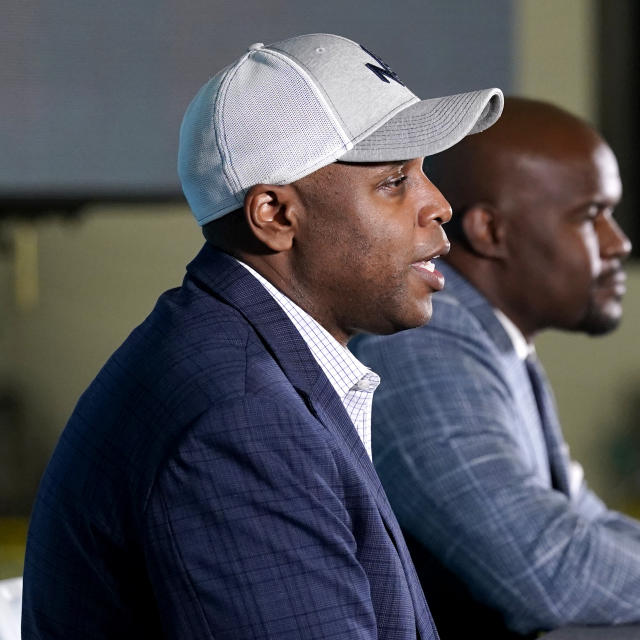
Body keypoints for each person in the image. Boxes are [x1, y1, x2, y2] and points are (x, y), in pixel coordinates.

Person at [21, 33, 502, 639]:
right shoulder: (239, 421)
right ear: (274, 215)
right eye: (393, 181)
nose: (439, 205)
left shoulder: (237, 357)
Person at [350, 97, 640, 638]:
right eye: (591, 217)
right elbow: (553, 572)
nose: (620, 244)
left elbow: (581, 525)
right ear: (490, 232)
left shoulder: (493, 342)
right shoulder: (424, 344)